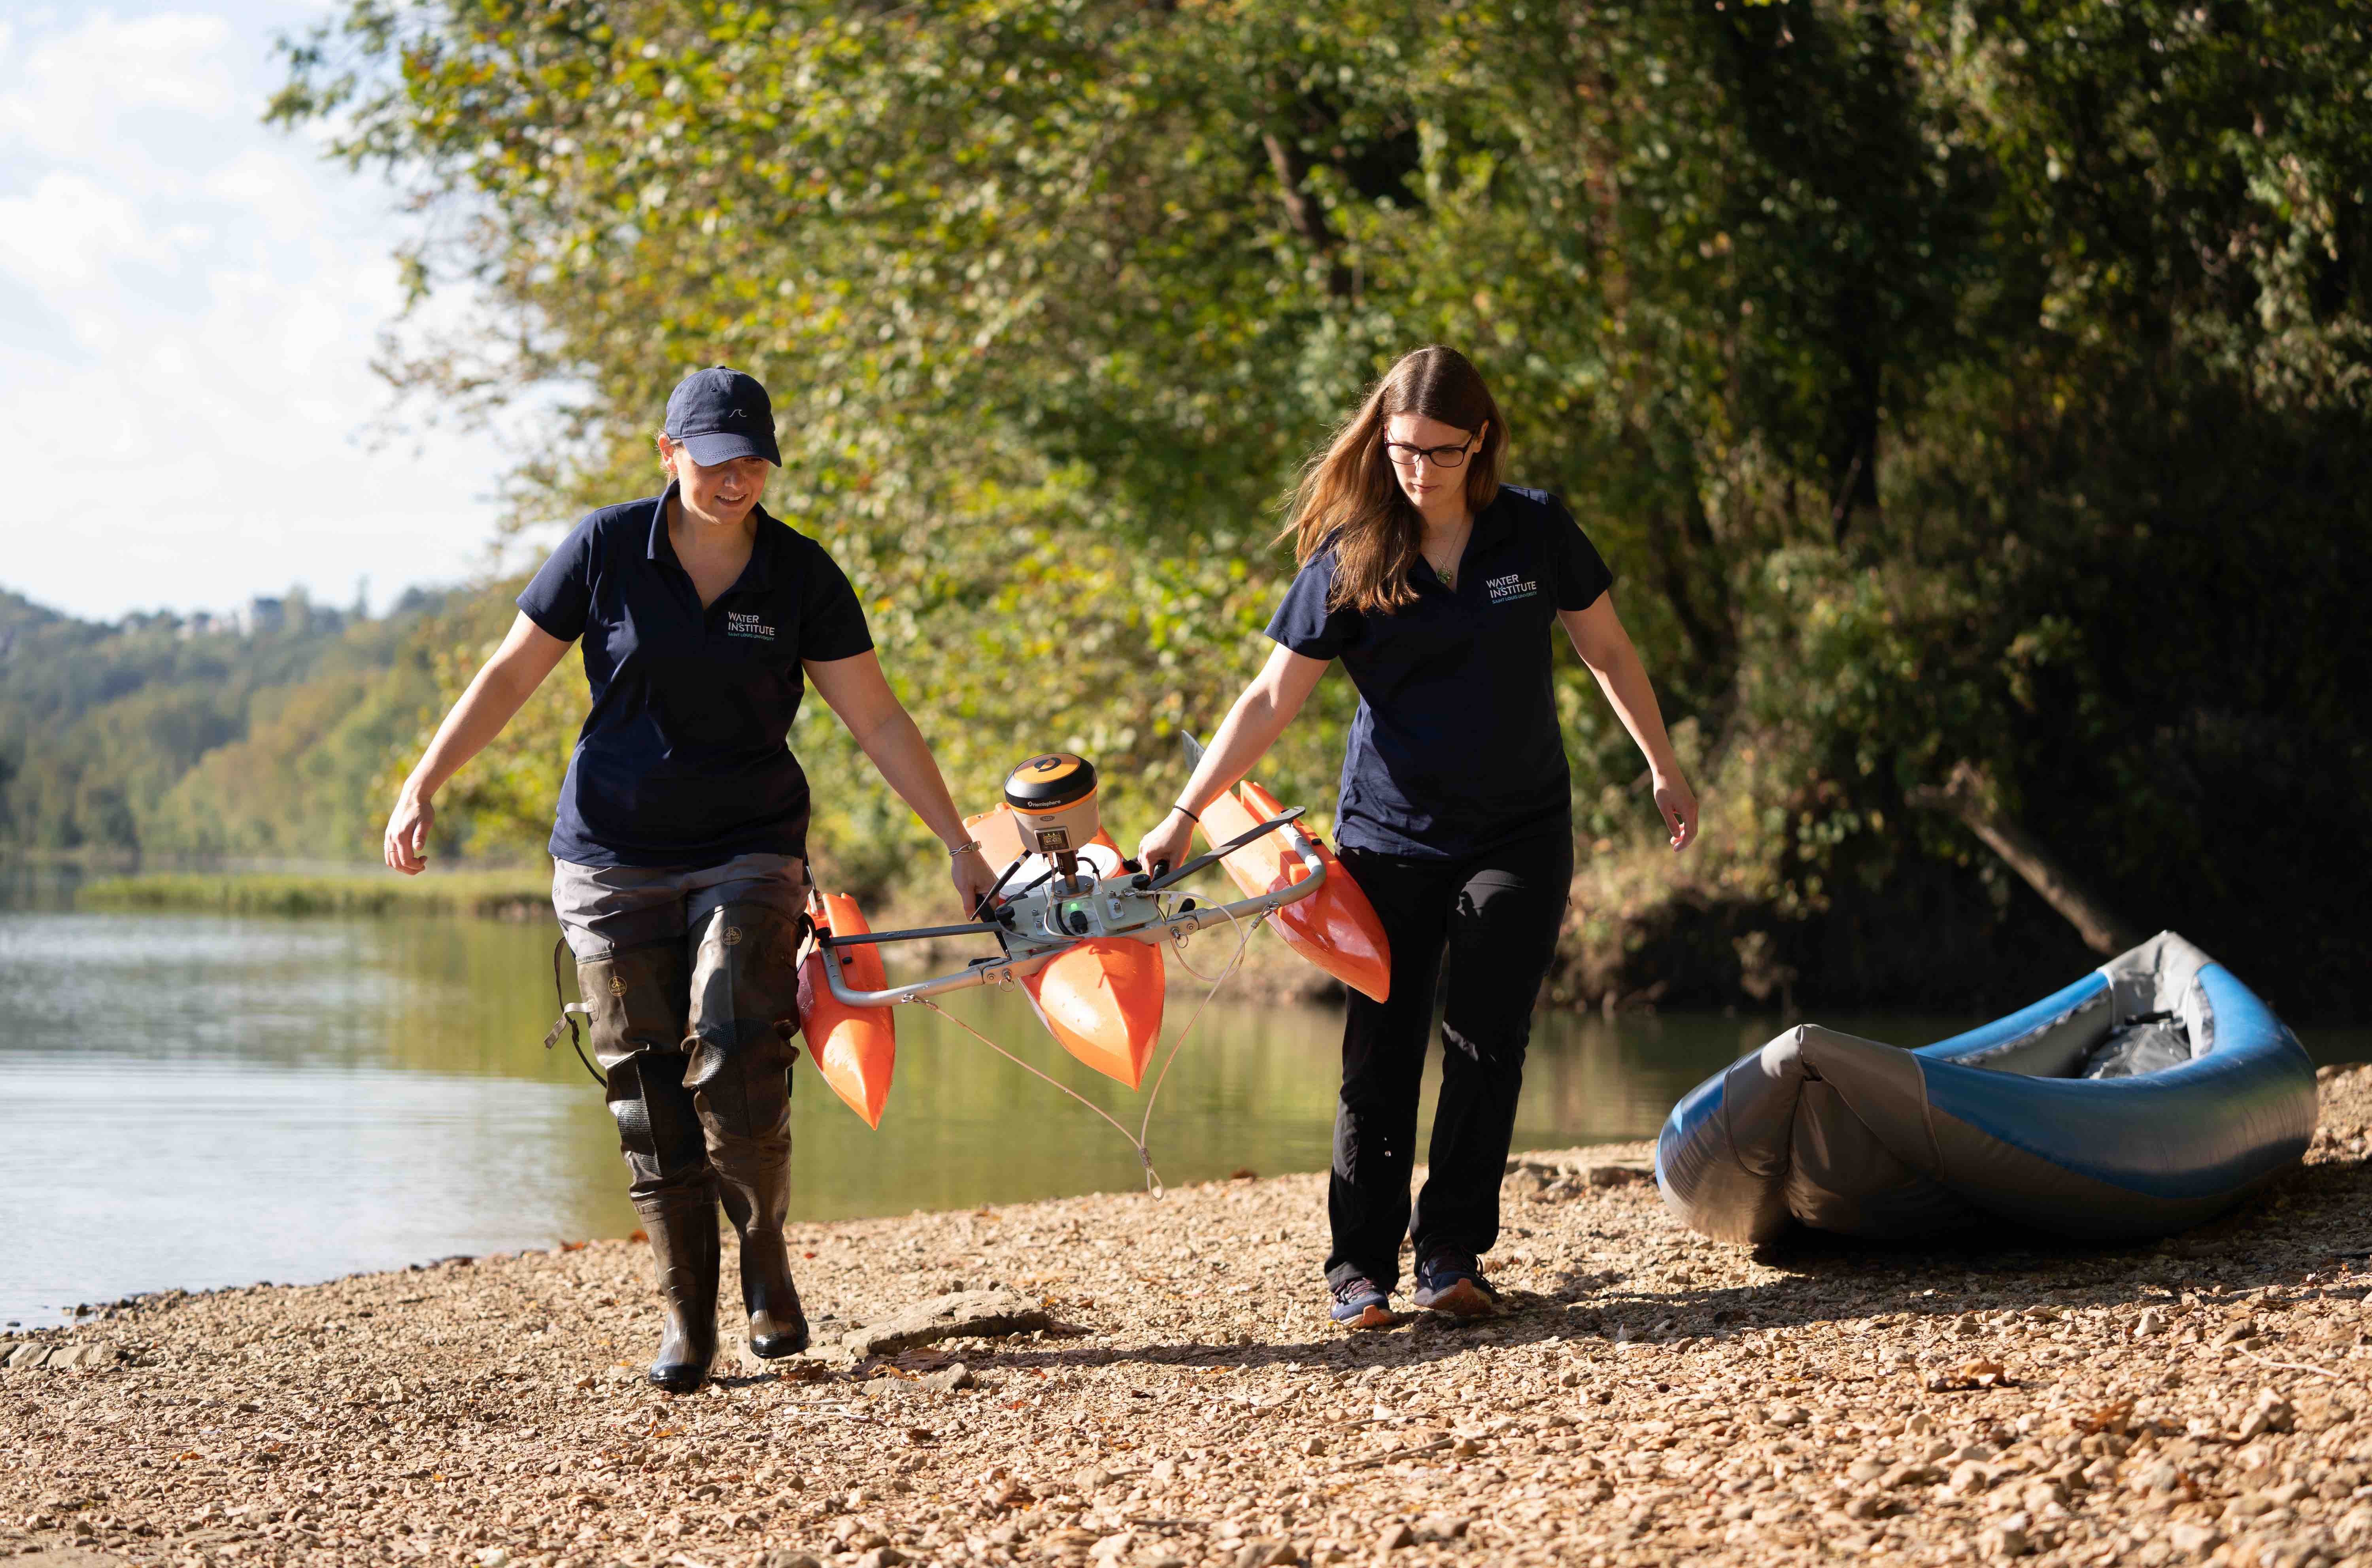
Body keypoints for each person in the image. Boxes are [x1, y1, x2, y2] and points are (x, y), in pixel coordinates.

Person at [383, 366, 999, 1390]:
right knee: (645, 1090)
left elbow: (878, 718)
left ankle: (764, 1250)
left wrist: (958, 843)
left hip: (750, 846)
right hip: (610, 855)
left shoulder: (801, 576)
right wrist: (424, 782)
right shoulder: (605, 550)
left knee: (734, 1044)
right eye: (715, 461)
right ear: (669, 455)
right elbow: (509, 673)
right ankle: (688, 1316)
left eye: (752, 461)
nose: (734, 480)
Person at [1137, 346, 1698, 1329]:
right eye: (1402, 450)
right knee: (1382, 1051)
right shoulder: (1353, 554)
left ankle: (1450, 1248)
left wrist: (1661, 760)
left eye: (1441, 452)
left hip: (1520, 829)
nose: (1420, 471)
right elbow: (1271, 694)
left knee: (1488, 1038)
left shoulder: (1533, 528)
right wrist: (1185, 813)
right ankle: (1359, 1264)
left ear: (1480, 441)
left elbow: (1605, 647)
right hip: (1388, 837)